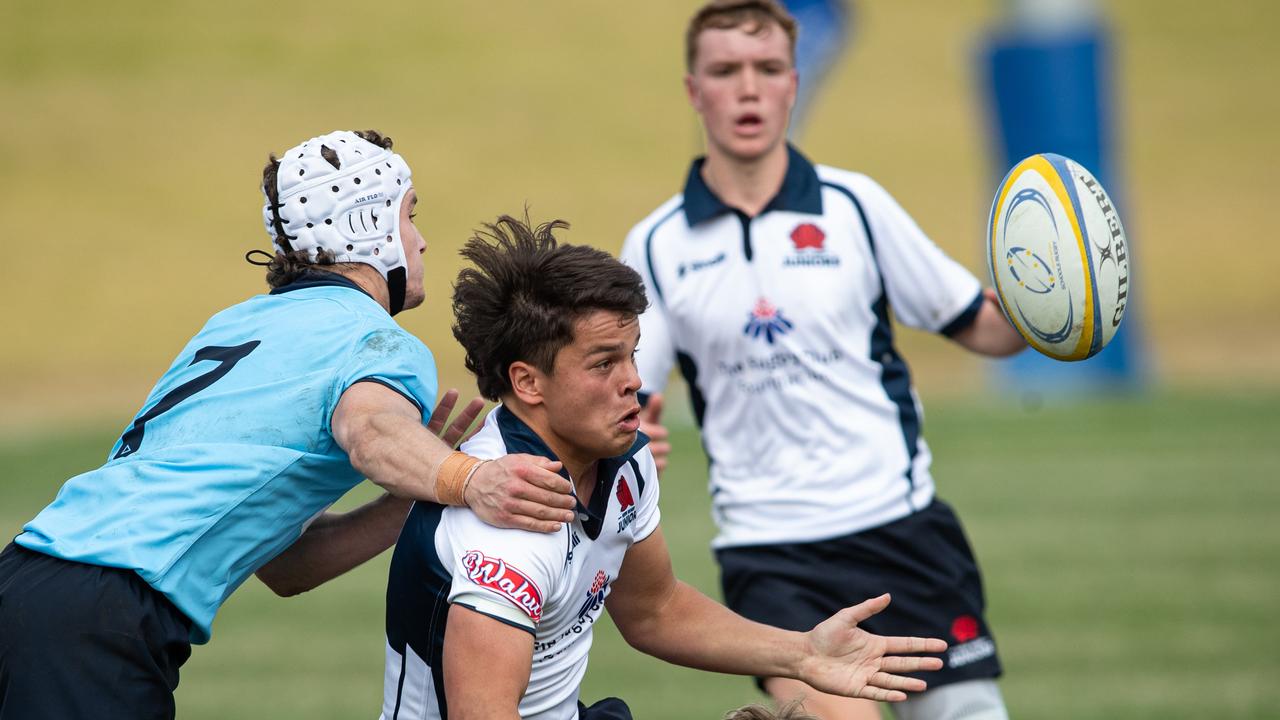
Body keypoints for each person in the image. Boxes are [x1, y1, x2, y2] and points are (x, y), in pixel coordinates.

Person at [0, 130, 576, 720]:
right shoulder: (375, 338)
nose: (422, 241)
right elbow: (371, 431)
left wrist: (423, 490)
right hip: (101, 616)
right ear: (366, 226)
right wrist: (468, 478)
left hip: (25, 581)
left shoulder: (235, 323)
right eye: (409, 216)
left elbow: (286, 566)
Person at [620, 3, 1028, 719]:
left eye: (767, 69)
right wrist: (633, 440)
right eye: (725, 71)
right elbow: (628, 405)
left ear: (793, 85)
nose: (748, 88)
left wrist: (1053, 309)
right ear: (695, 90)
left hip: (906, 534)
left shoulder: (855, 206)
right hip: (773, 554)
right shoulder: (656, 245)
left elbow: (983, 328)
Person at [380, 215, 947, 720]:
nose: (633, 380)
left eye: (632, 353)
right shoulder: (505, 524)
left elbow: (655, 610)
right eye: (604, 362)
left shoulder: (623, 461)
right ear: (528, 382)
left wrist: (804, 654)